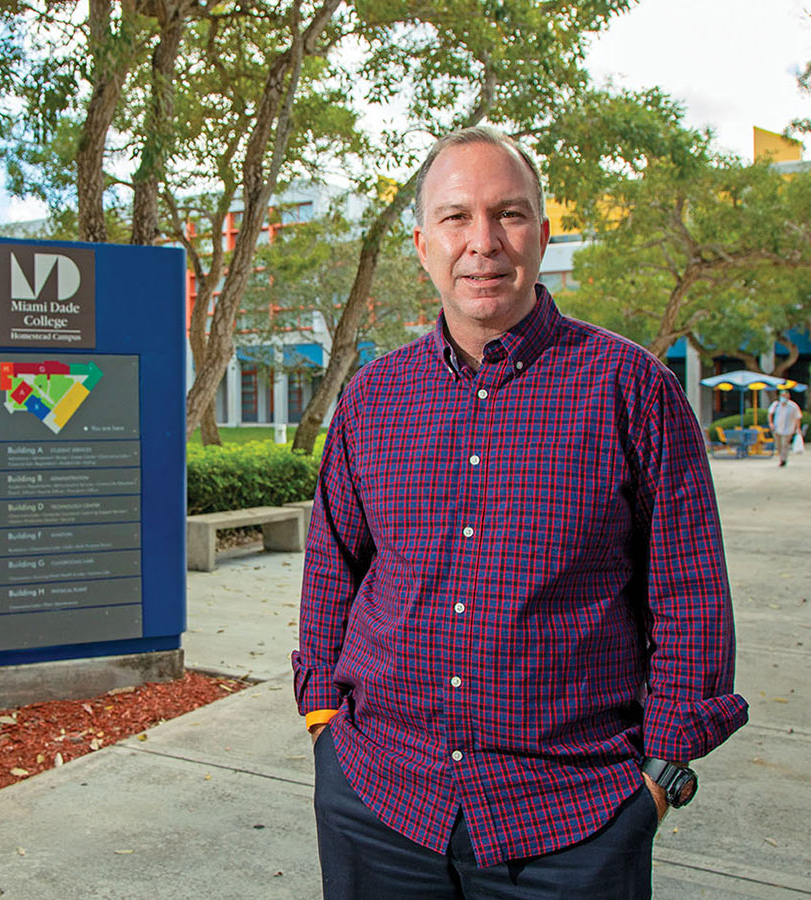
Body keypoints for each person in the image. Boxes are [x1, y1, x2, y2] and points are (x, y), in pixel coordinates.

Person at [293, 126, 747, 899]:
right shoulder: (371, 398)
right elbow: (334, 567)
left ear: (542, 231)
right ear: (422, 244)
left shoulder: (630, 390)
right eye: (456, 217)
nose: (483, 242)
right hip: (379, 799)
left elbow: (690, 593)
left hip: (576, 819)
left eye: (508, 214)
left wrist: (662, 778)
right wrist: (323, 722)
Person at [766, 390, 803, 466]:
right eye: (782, 396)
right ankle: (781, 457)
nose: (783, 398)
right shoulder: (776, 405)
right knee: (779, 445)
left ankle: (783, 460)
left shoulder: (793, 406)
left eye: (785, 396)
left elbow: (798, 417)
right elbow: (770, 414)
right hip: (777, 428)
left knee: (785, 444)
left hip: (789, 429)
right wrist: (771, 423)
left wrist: (797, 428)